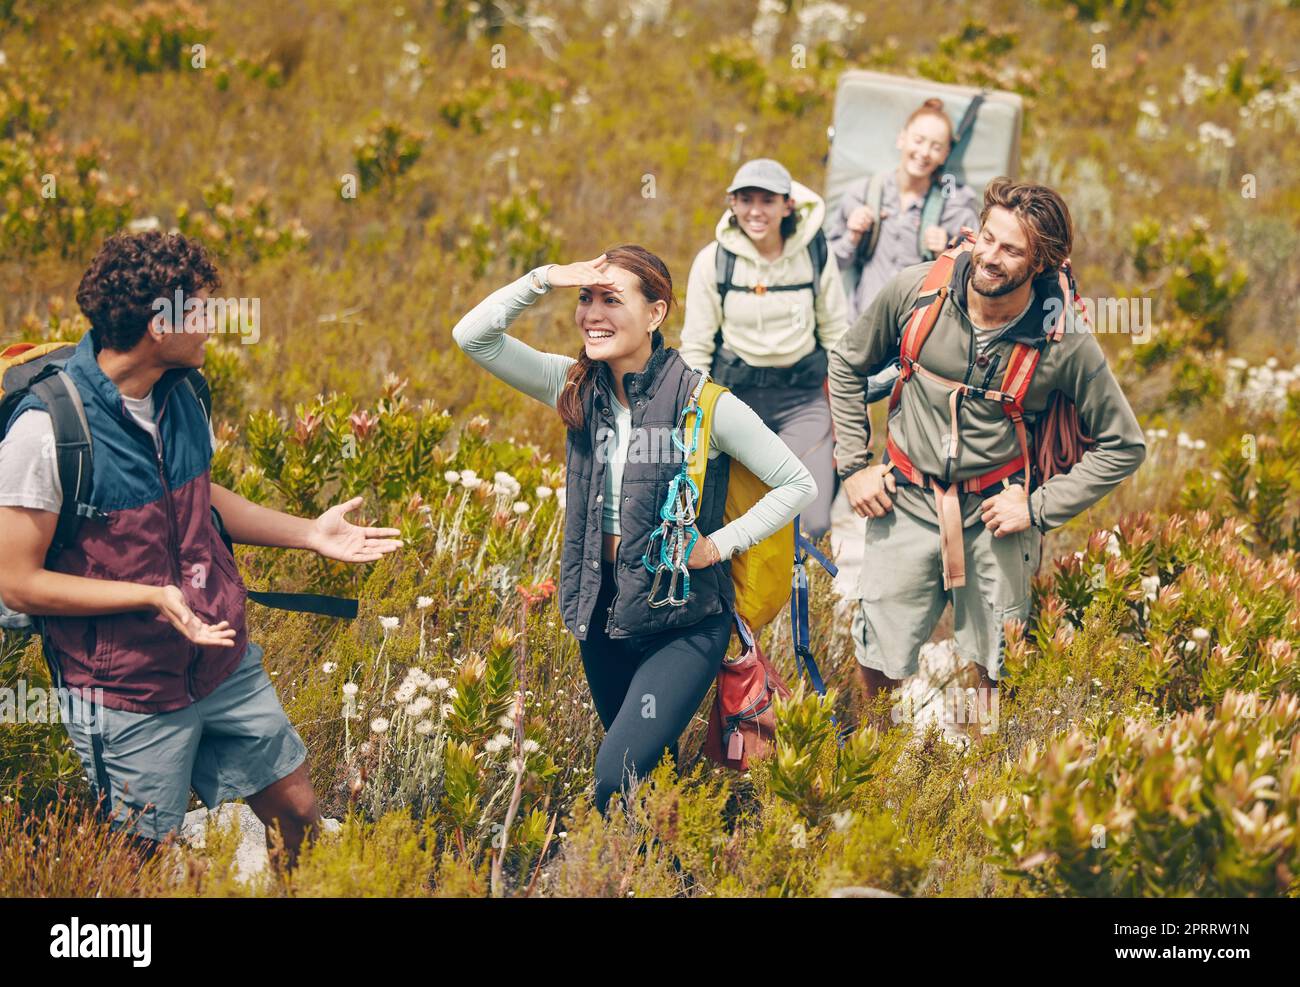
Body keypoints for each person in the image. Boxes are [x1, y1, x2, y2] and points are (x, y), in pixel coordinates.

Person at [0, 232, 403, 865]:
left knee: (296, 814)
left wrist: (309, 532)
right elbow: (17, 582)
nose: (217, 324)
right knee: (142, 859)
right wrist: (150, 597)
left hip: (220, 660)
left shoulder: (182, 391)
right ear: (160, 324)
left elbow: (196, 495)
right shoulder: (46, 431)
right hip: (126, 686)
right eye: (203, 311)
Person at [453, 245, 815, 813]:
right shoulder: (573, 386)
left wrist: (716, 545)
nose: (592, 313)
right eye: (585, 298)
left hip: (684, 622)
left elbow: (797, 483)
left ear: (655, 314)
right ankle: (670, 868)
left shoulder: (704, 404)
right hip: (602, 615)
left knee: (613, 774)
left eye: (611, 299)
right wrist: (544, 277)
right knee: (648, 776)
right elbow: (474, 337)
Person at [827, 179, 1146, 714]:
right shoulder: (917, 292)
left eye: (1011, 250)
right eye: (987, 239)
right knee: (879, 653)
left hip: (999, 514)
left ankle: (983, 776)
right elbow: (845, 362)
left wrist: (1039, 506)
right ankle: (874, 763)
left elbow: (1123, 444)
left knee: (999, 663)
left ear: (1042, 262)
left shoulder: (1063, 341)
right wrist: (855, 465)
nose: (990, 258)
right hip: (905, 499)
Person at [680, 158, 846, 540]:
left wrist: (847, 404)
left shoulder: (815, 254)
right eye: (746, 199)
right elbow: (697, 344)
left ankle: (801, 591)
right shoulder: (713, 261)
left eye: (767, 200)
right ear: (732, 204)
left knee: (812, 520)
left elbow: (837, 332)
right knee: (737, 515)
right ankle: (743, 599)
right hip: (736, 400)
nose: (756, 211)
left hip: (802, 400)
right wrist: (695, 412)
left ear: (787, 205)